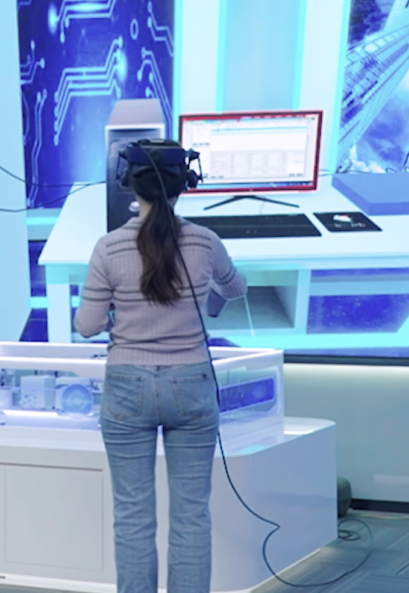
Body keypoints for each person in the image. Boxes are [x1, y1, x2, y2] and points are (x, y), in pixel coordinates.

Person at [75, 145, 247, 593]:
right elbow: (236, 288)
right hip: (191, 384)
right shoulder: (205, 242)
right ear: (185, 184)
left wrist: (120, 319)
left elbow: (87, 325)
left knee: (132, 516)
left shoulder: (108, 247)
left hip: (126, 386)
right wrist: (206, 304)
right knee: (192, 515)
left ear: (128, 182)